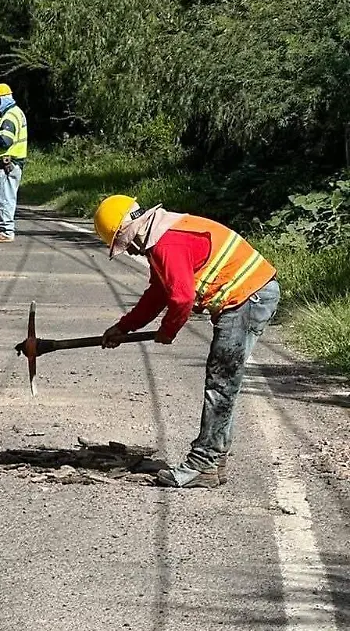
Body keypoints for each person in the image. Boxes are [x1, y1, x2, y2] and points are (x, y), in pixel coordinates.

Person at [94, 195, 280, 488]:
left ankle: (202, 463)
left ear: (131, 231)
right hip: (249, 296)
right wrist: (125, 327)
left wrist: (168, 331)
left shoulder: (167, 243)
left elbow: (181, 297)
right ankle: (214, 460)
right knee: (223, 382)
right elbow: (159, 292)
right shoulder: (162, 232)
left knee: (221, 383)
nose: (129, 249)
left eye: (125, 243)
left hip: (247, 298)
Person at [0, 84, 28, 243]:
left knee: (4, 199)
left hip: (7, 165)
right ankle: (3, 229)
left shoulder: (10, 116)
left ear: (2, 99)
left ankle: (6, 231)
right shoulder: (13, 113)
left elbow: (5, 141)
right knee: (4, 198)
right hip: (9, 164)